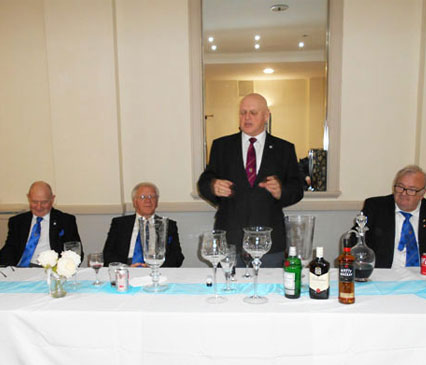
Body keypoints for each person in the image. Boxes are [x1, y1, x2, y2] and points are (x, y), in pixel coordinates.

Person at [196, 93, 305, 268]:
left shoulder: (284, 148)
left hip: (269, 243)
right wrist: (213, 186)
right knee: (229, 293)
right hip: (231, 240)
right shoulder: (221, 146)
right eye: (243, 112)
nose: (247, 117)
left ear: (266, 116)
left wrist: (281, 191)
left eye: (253, 113)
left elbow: (297, 189)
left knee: (270, 294)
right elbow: (204, 182)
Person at [356, 165, 426, 272]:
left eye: (412, 190)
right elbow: (355, 238)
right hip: (385, 275)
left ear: (422, 193)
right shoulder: (376, 207)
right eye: (400, 187)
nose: (403, 193)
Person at [0, 181, 81, 266]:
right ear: (28, 198)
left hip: (52, 269)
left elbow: (75, 252)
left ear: (52, 199)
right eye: (34, 202)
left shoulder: (65, 221)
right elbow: (9, 250)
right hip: (21, 268)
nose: (39, 207)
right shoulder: (17, 222)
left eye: (44, 202)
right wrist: (9, 270)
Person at [102, 182, 184, 267]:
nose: (148, 201)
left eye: (151, 197)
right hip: (126, 268)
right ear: (135, 202)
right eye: (142, 197)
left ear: (157, 202)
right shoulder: (119, 224)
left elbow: (177, 257)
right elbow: (108, 254)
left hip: (156, 269)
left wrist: (156, 267)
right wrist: (125, 268)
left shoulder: (168, 225)